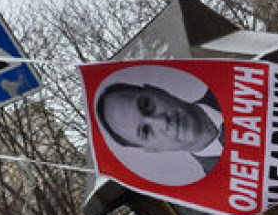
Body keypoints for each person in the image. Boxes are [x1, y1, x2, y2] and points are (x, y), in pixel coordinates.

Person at [94, 76, 224, 182]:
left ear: (157, 90)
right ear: (155, 149)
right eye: (145, 131)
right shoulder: (222, 186)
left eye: (146, 105)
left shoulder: (230, 79)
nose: (161, 121)